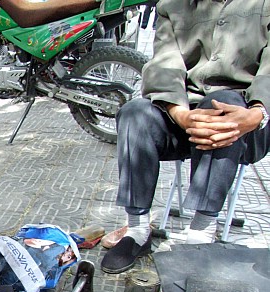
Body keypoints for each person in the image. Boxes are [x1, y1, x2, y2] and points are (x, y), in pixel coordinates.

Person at [101, 0, 270, 274]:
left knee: (222, 103)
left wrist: (258, 113)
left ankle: (201, 233)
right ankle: (137, 231)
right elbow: (164, 65)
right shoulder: (174, 4)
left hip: (248, 119)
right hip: (183, 111)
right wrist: (181, 114)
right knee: (134, 113)